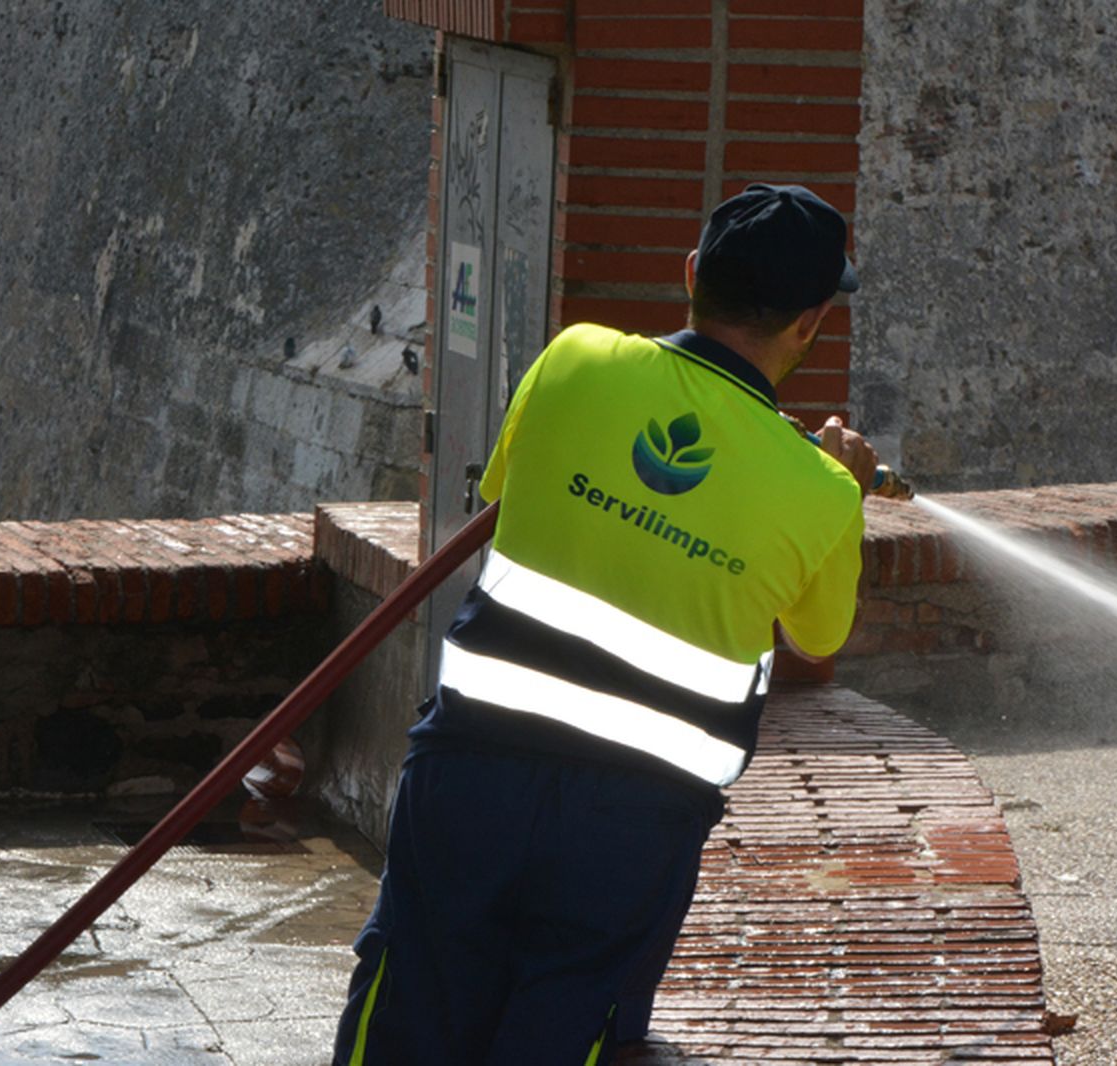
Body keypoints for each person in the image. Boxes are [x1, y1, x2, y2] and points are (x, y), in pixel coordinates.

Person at [334, 183, 877, 1066]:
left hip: (472, 770)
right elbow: (817, 637)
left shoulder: (575, 359)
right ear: (811, 323)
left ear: (692, 274)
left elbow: (507, 491)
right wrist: (841, 485)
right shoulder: (820, 490)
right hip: (636, 823)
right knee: (565, 1031)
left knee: (409, 1010)